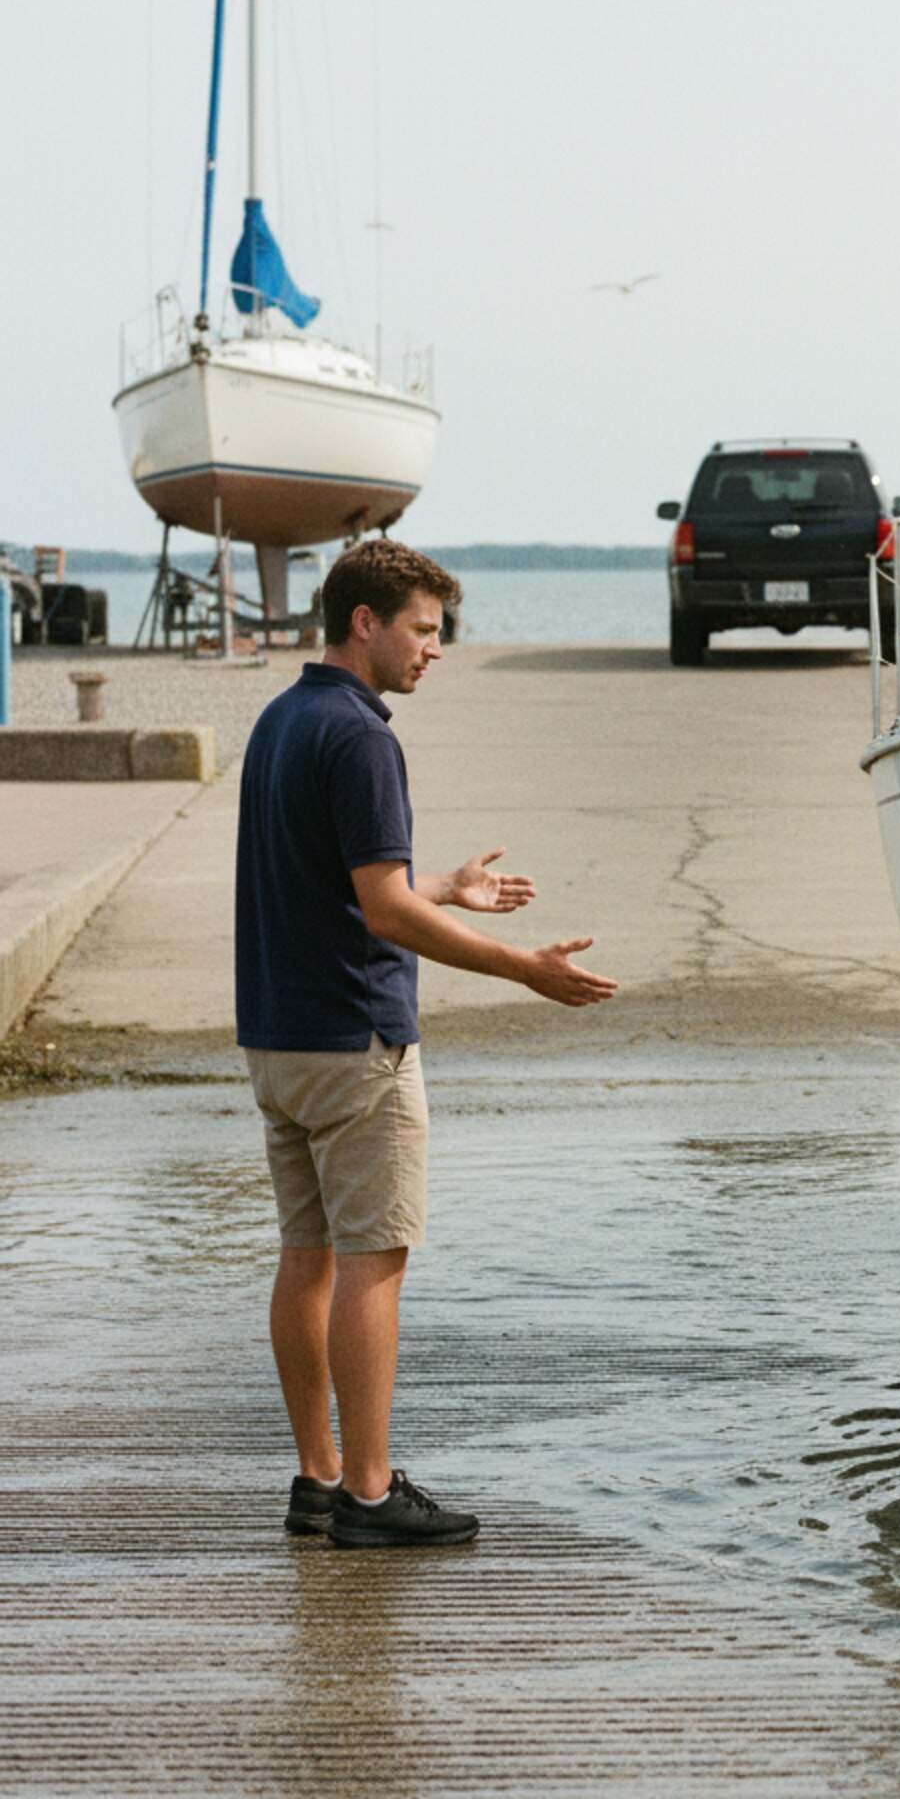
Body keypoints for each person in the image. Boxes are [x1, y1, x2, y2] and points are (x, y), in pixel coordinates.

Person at [237, 539, 616, 1548]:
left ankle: (316, 1478)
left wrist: (440, 887)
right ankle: (368, 1493)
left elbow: (353, 887)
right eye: (422, 629)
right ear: (365, 620)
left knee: (305, 1254)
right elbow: (383, 915)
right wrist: (520, 964)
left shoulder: (282, 719)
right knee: (374, 1258)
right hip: (355, 1038)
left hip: (279, 1037)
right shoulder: (360, 736)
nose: (433, 651)